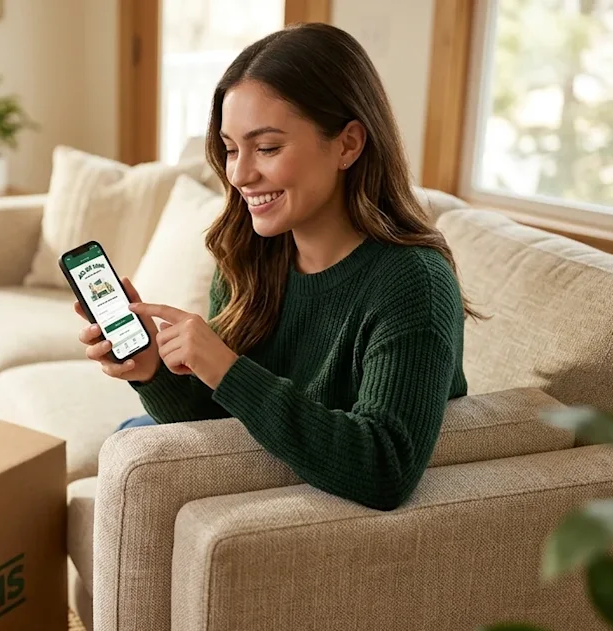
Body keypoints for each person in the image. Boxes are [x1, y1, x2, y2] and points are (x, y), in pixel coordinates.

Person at [73, 23, 481, 512]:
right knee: (127, 446)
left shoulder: (413, 282)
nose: (240, 174)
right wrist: (152, 372)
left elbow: (383, 468)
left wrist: (225, 368)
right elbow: (228, 425)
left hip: (320, 522)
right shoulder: (250, 255)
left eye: (266, 147)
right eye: (230, 148)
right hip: (259, 479)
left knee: (130, 449)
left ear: (348, 144)